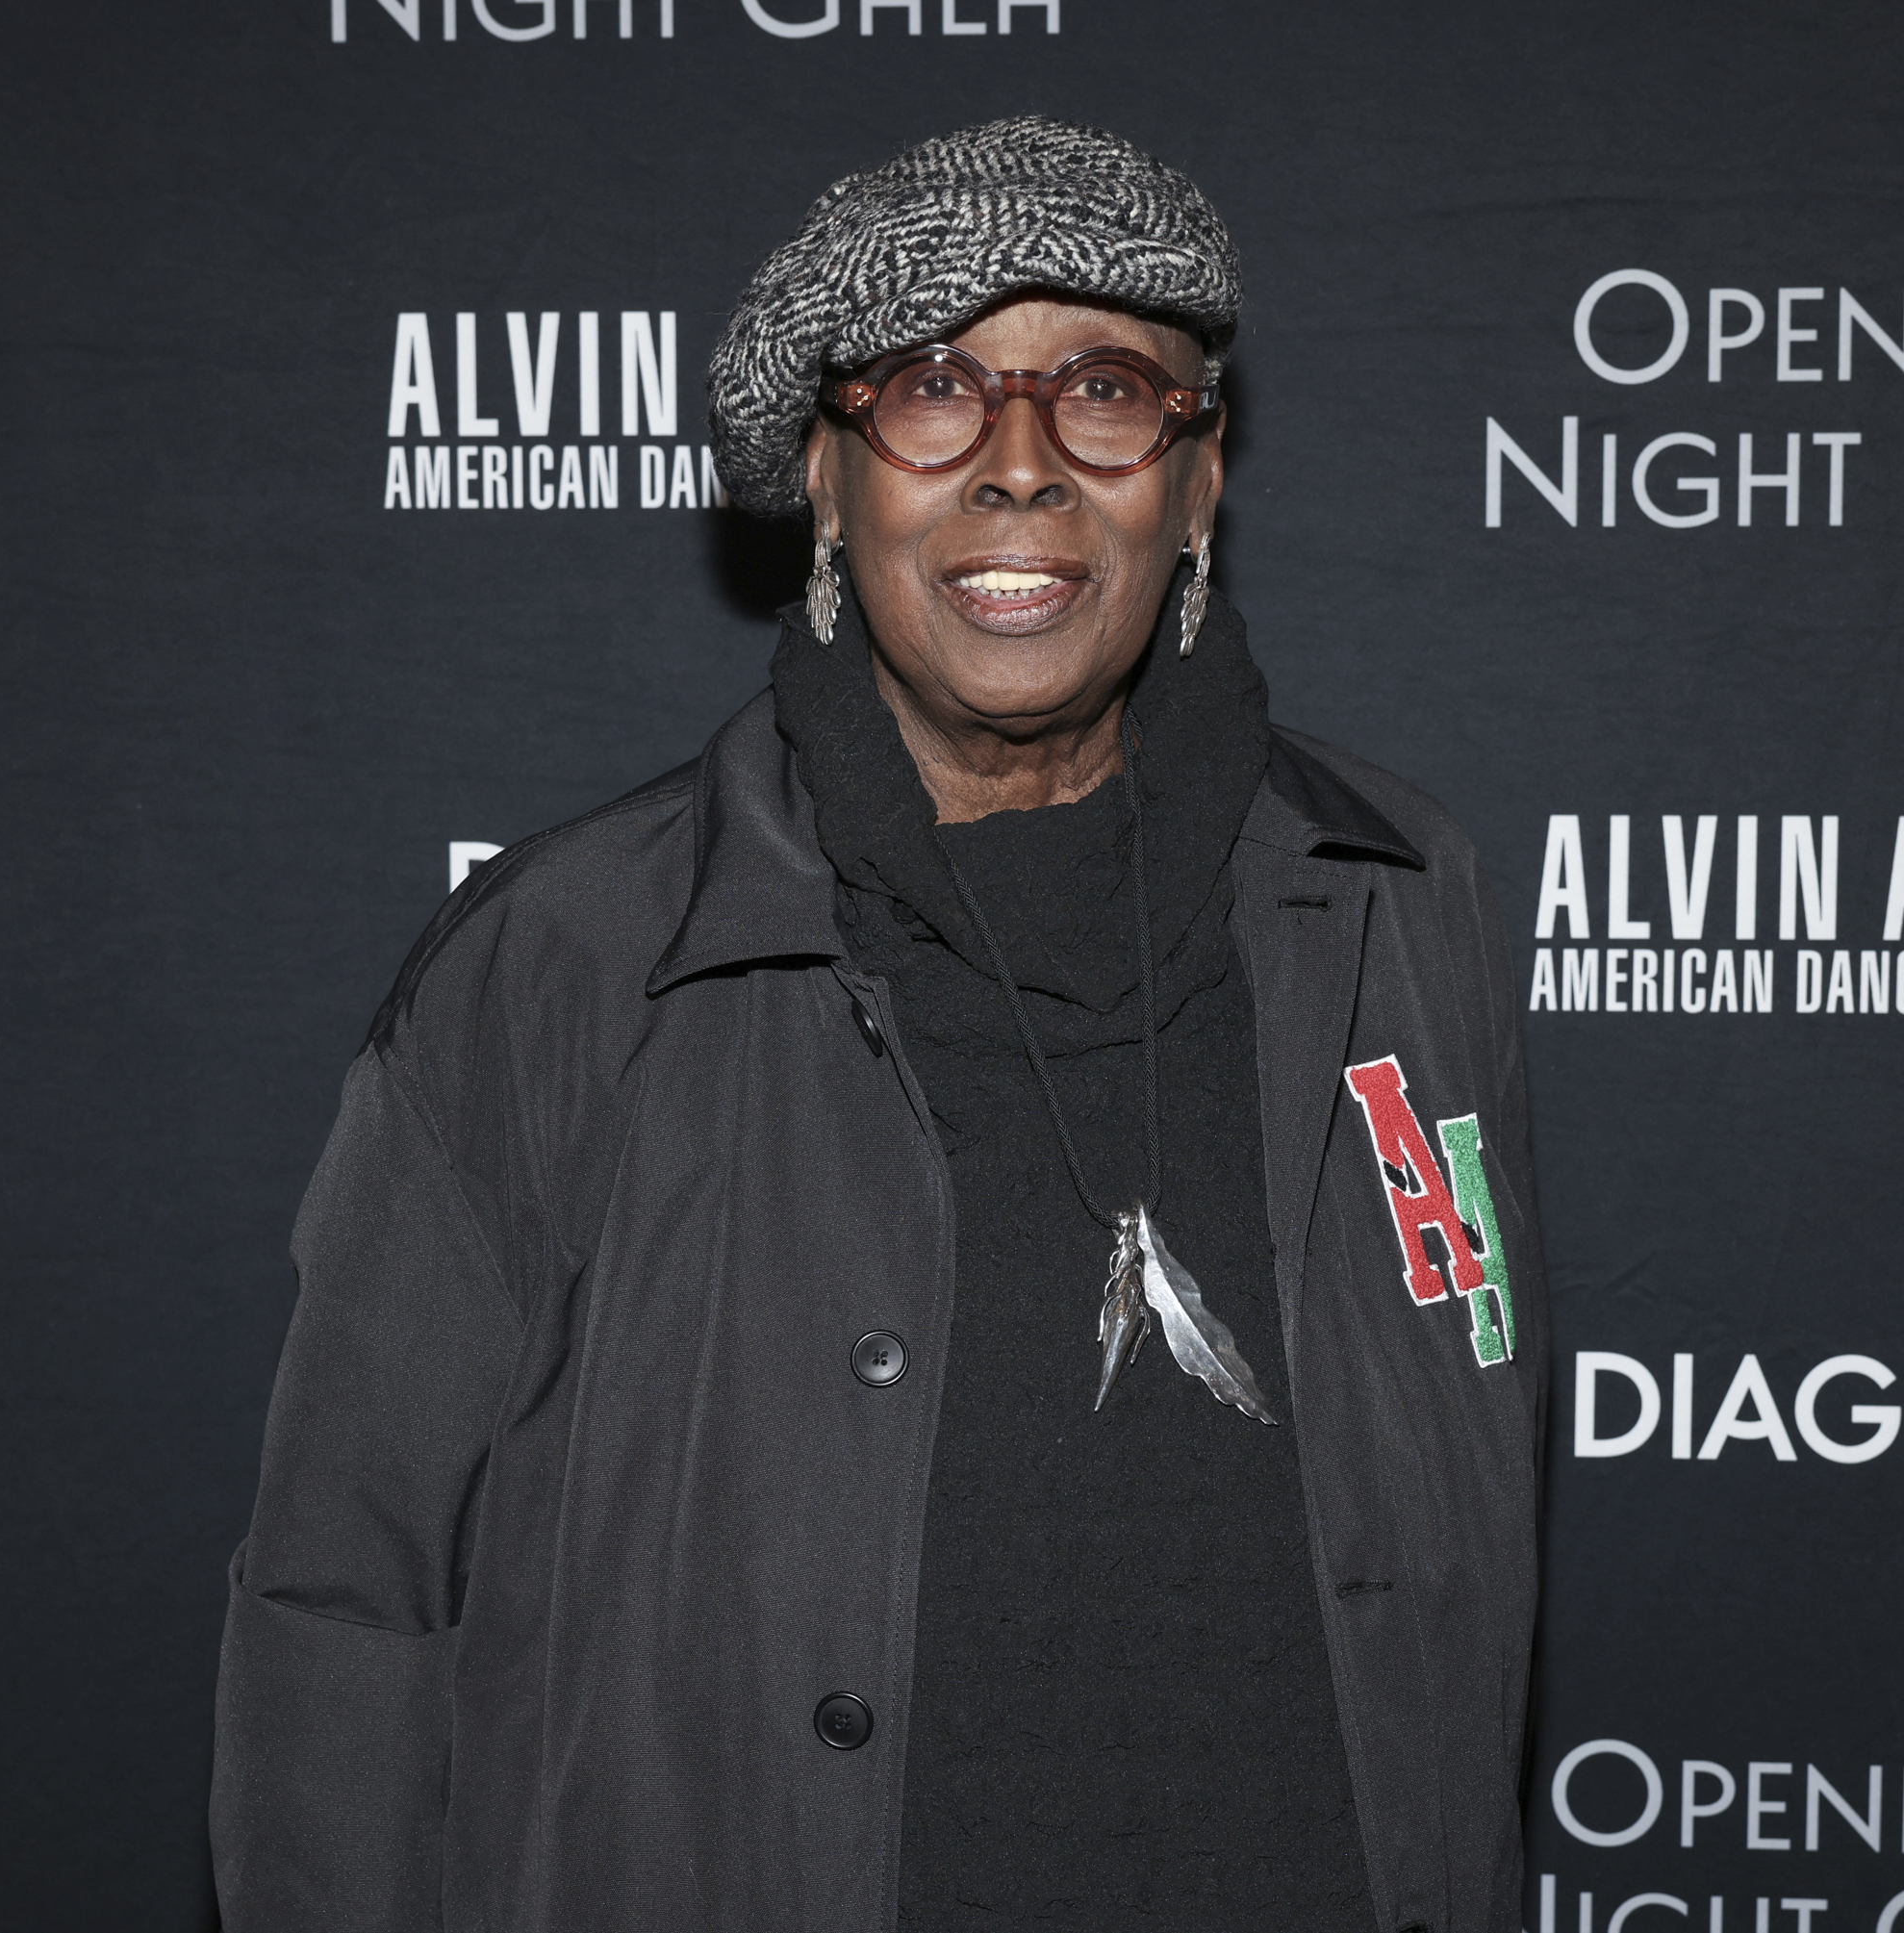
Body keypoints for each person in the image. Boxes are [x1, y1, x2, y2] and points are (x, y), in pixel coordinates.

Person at [213, 114, 1544, 1933]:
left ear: (1199, 476)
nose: (1021, 466)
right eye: (931, 392)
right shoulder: (568, 964)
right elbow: (346, 1606)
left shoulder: (1402, 895)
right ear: (825, 484)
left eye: (1104, 391)